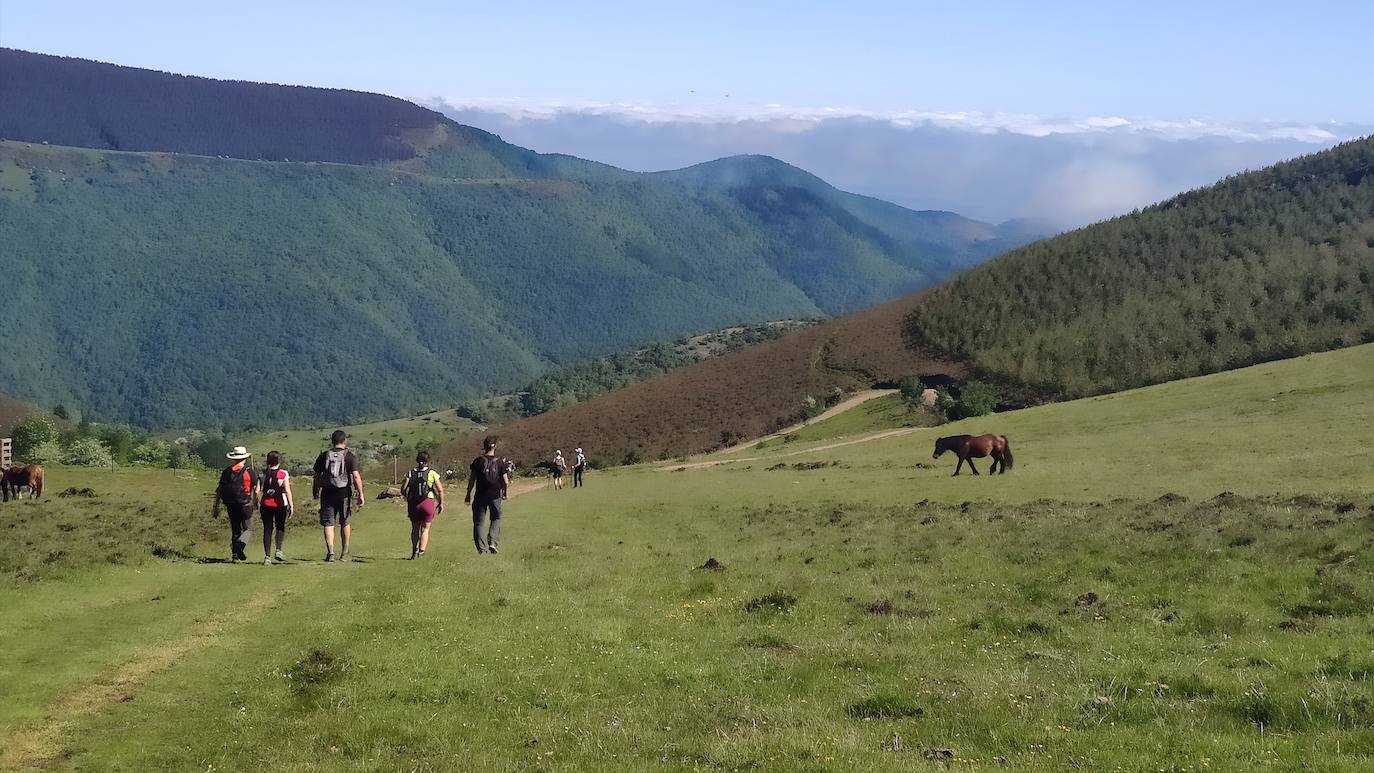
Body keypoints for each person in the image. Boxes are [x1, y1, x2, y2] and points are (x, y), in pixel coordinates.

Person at [313, 430, 364, 562]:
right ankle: (344, 552)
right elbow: (356, 476)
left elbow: (317, 475)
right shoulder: (349, 456)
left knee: (329, 523)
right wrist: (360, 494)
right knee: (345, 522)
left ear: (332, 441)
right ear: (344, 441)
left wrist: (316, 490)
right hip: (344, 493)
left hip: (327, 492)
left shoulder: (324, 455)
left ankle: (330, 552)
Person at [464, 436, 510, 555]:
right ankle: (493, 542)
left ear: (484, 446)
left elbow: (471, 479)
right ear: (495, 447)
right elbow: (505, 481)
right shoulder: (500, 462)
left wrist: (468, 494)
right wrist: (505, 493)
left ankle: (481, 549)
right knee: (496, 518)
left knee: (479, 522)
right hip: (495, 495)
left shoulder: (478, 461)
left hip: (480, 495)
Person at [211, 446, 256, 562]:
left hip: (230, 503)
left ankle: (235, 555)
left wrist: (216, 506)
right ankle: (239, 547)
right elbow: (255, 489)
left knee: (236, 529)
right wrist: (256, 502)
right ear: (245, 458)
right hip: (245, 503)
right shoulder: (249, 471)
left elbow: (220, 489)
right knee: (248, 529)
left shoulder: (226, 472)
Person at [401, 450, 445, 559]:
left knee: (415, 528)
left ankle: (414, 551)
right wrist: (441, 503)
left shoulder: (410, 473)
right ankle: (421, 551)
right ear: (427, 461)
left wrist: (407, 498)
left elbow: (403, 489)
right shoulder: (432, 473)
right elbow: (440, 490)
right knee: (425, 529)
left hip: (413, 504)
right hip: (427, 503)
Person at [257, 450, 294, 564]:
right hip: (280, 504)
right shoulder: (283, 474)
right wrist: (291, 505)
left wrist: (256, 503)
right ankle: (278, 550)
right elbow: (287, 490)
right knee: (280, 527)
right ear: (280, 461)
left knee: (267, 529)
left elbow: (257, 491)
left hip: (266, 504)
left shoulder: (262, 474)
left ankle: (267, 556)